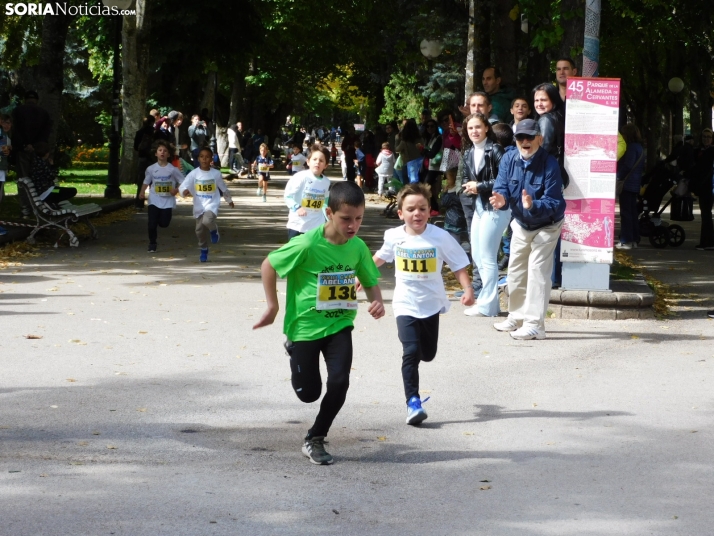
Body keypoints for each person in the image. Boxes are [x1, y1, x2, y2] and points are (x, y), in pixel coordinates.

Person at [252, 181, 385, 465]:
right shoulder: (308, 243)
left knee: (339, 382)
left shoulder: (358, 247)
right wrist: (273, 306)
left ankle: (316, 437)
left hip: (339, 325)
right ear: (329, 213)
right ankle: (293, 350)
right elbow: (268, 265)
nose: (353, 225)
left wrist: (377, 301)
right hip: (305, 328)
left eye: (359, 218)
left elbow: (371, 280)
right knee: (308, 394)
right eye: (346, 219)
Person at [371, 182, 473, 424]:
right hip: (405, 303)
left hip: (431, 304)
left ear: (430, 211)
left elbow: (458, 264)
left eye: (422, 208)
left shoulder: (441, 237)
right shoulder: (393, 236)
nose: (416, 213)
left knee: (427, 354)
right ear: (400, 213)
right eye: (410, 209)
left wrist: (467, 289)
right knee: (411, 351)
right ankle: (412, 403)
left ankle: (416, 383)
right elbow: (380, 258)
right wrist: (359, 276)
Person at [489, 119, 566, 340]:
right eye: (520, 137)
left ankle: (535, 325)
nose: (524, 141)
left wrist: (533, 205)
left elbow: (554, 202)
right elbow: (501, 185)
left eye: (529, 137)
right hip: (522, 223)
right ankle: (517, 316)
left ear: (539, 139)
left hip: (548, 224)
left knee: (537, 272)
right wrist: (501, 198)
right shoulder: (509, 158)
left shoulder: (550, 164)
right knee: (515, 271)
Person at [457, 113, 509, 317]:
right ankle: (490, 303)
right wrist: (468, 187)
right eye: (470, 128)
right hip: (479, 205)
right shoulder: (470, 152)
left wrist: (479, 186)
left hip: (495, 207)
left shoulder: (495, 149)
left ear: (487, 128)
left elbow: (504, 179)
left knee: (487, 257)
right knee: (478, 255)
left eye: (478, 127)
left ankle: (487, 305)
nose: (474, 131)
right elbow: (464, 177)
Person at [532, 83, 567, 288]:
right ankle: (556, 275)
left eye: (543, 99)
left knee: (546, 227)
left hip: (545, 177)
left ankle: (550, 277)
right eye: (536, 100)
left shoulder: (545, 120)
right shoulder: (559, 117)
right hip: (557, 176)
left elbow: (542, 150)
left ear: (553, 100)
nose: (539, 104)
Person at [180, 147, 234, 262]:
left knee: (207, 221)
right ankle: (203, 248)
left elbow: (223, 188)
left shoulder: (215, 174)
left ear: (211, 159)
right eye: (202, 157)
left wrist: (229, 200)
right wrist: (184, 191)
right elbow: (184, 185)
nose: (204, 159)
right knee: (199, 230)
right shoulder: (194, 174)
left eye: (207, 157)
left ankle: (214, 231)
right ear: (198, 158)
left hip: (211, 204)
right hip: (199, 205)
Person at [138, 140, 185, 253]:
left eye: (165, 151)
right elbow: (146, 181)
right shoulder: (151, 169)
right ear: (156, 153)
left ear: (169, 154)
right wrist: (142, 192)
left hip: (167, 201)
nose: (162, 152)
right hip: (154, 199)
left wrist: (176, 190)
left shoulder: (173, 169)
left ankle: (160, 220)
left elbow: (183, 181)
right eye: (160, 150)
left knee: (164, 223)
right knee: (151, 224)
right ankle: (152, 243)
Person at [284, 145, 331, 240]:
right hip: (298, 225)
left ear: (325, 165)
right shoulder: (300, 177)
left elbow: (324, 203)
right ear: (308, 161)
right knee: (295, 253)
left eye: (321, 161)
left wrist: (330, 219)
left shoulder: (326, 182)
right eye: (315, 159)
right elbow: (287, 196)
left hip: (316, 226)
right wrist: (297, 207)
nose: (317, 162)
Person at [615, 124, 645, 250]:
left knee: (626, 213)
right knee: (632, 213)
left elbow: (628, 165)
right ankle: (634, 239)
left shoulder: (631, 148)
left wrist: (618, 176)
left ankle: (626, 240)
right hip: (635, 183)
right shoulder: (639, 147)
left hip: (627, 184)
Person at [491, 123, 516, 270]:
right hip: (511, 199)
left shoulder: (505, 157)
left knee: (509, 230)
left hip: (508, 200)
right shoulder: (514, 153)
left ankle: (508, 255)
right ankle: (508, 255)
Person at [11, 90, 52, 178]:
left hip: (22, 149)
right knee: (37, 175)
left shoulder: (17, 111)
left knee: (23, 177)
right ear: (37, 100)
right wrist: (35, 145)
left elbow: (15, 130)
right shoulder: (44, 113)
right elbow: (46, 132)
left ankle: (24, 192)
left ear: (25, 100)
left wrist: (24, 144)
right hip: (39, 150)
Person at [27, 142, 77, 207]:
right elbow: (52, 176)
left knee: (60, 191)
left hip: (46, 190)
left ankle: (53, 202)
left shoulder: (35, 162)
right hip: (48, 192)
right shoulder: (42, 164)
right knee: (72, 191)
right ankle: (51, 201)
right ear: (46, 153)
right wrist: (52, 166)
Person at [688, 128, 714, 250]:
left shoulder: (711, 152)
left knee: (706, 214)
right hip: (705, 187)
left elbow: (701, 169)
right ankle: (707, 241)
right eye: (704, 137)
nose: (706, 139)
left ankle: (707, 242)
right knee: (706, 214)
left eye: (709, 137)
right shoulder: (699, 151)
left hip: (709, 186)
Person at [133, 115, 156, 209]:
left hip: (142, 158)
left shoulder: (139, 132)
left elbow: (135, 147)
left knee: (141, 181)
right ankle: (154, 203)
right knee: (154, 181)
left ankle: (139, 203)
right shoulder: (154, 132)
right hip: (152, 159)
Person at [423, 119, 443, 215]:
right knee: (431, 188)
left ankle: (435, 208)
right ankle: (433, 208)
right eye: (428, 126)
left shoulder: (438, 138)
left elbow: (432, 153)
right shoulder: (430, 138)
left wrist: (423, 151)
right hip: (430, 166)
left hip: (436, 167)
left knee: (426, 186)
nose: (430, 128)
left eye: (432, 126)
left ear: (436, 127)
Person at [395, 119, 423, 184]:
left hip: (407, 165)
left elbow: (397, 150)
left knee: (407, 185)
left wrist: (396, 140)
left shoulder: (404, 141)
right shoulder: (420, 139)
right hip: (420, 165)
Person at [0, 116, 12, 235]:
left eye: (8, 123)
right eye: (4, 122)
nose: (6, 125)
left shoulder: (5, 136)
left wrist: (8, 149)